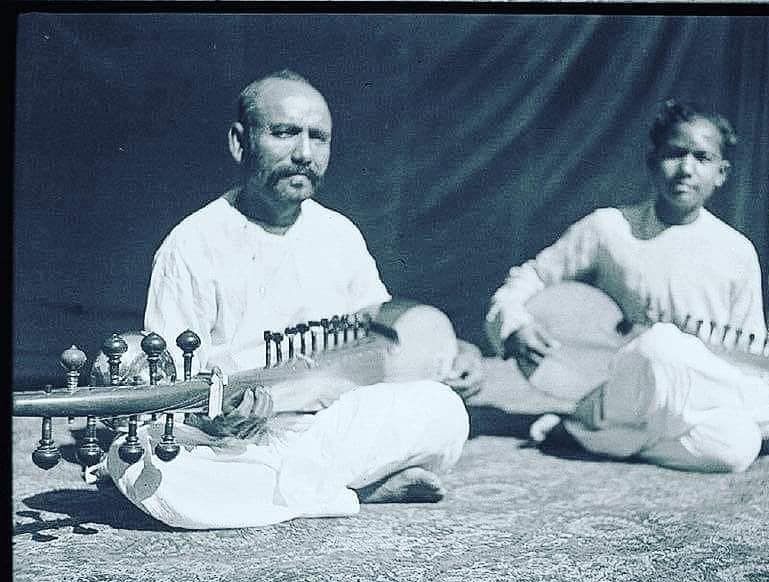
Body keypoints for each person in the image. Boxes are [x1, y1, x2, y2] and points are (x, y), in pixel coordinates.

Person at [100, 69, 482, 529]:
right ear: (240, 142)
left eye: (318, 138)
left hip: (326, 427)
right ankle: (348, 488)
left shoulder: (338, 234)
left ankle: (300, 488)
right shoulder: (191, 245)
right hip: (231, 442)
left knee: (444, 412)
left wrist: (455, 352)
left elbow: (380, 330)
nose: (304, 153)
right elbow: (168, 386)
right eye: (284, 133)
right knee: (151, 470)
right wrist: (218, 421)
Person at [485, 100, 769, 473]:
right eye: (675, 153)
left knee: (736, 447)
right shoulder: (609, 228)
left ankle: (582, 436)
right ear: (653, 160)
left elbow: (749, 352)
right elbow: (527, 278)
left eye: (702, 158)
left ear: (721, 174)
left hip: (691, 401)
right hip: (614, 394)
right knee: (662, 344)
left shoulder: (736, 252)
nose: (686, 168)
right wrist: (515, 324)